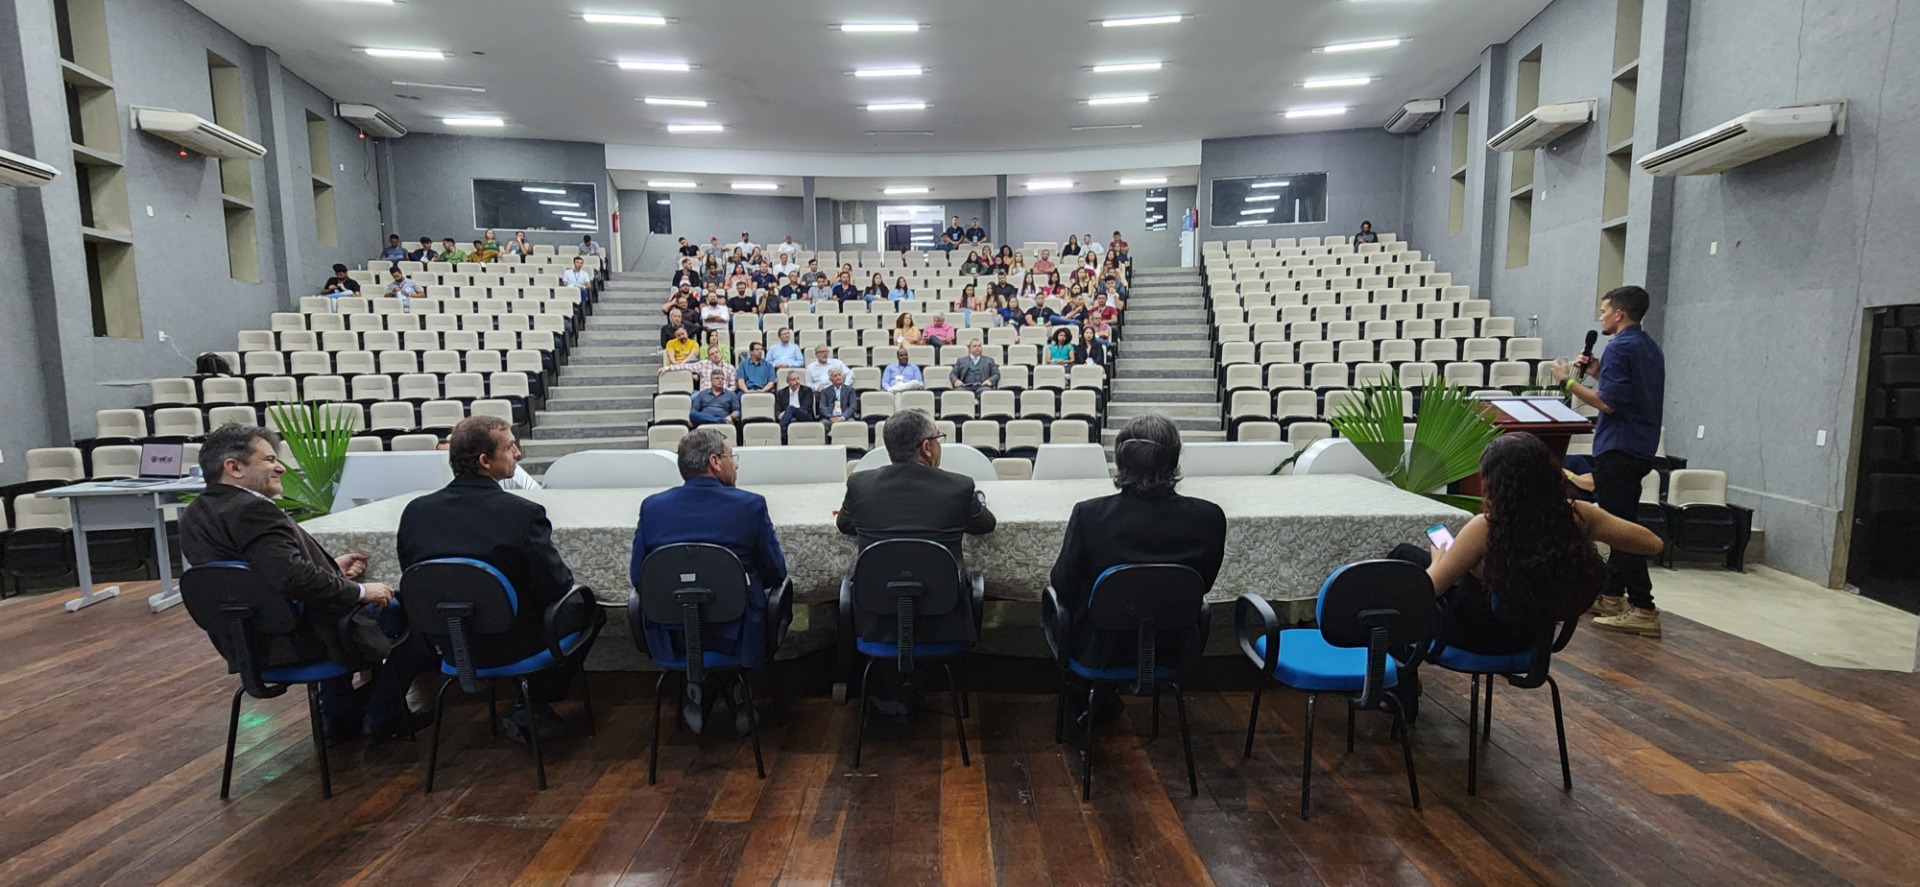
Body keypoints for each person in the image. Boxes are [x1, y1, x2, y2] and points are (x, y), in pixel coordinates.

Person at [179, 424, 432, 746]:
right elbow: (291, 578)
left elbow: (256, 574)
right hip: (297, 638)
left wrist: (330, 569)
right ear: (234, 467)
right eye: (269, 459)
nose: (281, 467)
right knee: (412, 618)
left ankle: (338, 716)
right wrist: (359, 591)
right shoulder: (254, 510)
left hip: (246, 642)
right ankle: (384, 717)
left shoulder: (196, 513)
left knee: (340, 610)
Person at [398, 416, 600, 743]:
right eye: (509, 447)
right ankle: (533, 701)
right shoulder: (522, 513)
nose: (518, 453)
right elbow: (557, 585)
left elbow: (415, 582)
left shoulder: (415, 512)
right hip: (514, 644)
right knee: (590, 608)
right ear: (485, 461)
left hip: (449, 645)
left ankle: (526, 704)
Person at [1049, 414, 1224, 723]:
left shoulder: (1090, 514)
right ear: (1173, 460)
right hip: (1173, 646)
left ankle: (1093, 697)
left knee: (1061, 608)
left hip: (1099, 650)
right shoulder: (1209, 517)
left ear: (1120, 461)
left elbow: (1063, 583)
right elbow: (1203, 584)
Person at [837, 409, 996, 720]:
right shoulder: (959, 487)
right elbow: (985, 524)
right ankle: (913, 686)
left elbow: (845, 525)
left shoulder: (859, 484)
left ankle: (897, 690)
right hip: (944, 618)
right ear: (926, 447)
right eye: (938, 439)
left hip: (876, 619)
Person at [630, 429, 787, 734]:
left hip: (674, 636)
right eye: (731, 457)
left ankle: (699, 685)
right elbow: (775, 573)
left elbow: (639, 577)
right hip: (737, 635)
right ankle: (734, 687)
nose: (735, 464)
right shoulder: (751, 506)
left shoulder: (652, 508)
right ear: (715, 462)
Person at [1551, 285, 1667, 637]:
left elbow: (1608, 404)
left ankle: (1643, 607)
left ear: (1619, 314)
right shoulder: (1649, 347)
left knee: (1619, 528)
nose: (1600, 317)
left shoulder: (1618, 346)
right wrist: (1598, 372)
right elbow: (1628, 392)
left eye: (1604, 311)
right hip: (1640, 445)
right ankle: (1613, 595)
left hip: (1618, 446)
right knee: (1621, 519)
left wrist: (1567, 382)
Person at [774, 369, 815, 435]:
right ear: (788, 382)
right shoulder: (781, 393)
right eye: (794, 380)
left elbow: (806, 407)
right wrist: (779, 415)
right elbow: (777, 409)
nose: (797, 381)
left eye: (798, 379)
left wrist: (790, 411)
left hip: (805, 415)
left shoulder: (807, 391)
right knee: (793, 420)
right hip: (789, 417)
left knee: (790, 408)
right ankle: (784, 436)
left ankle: (779, 430)